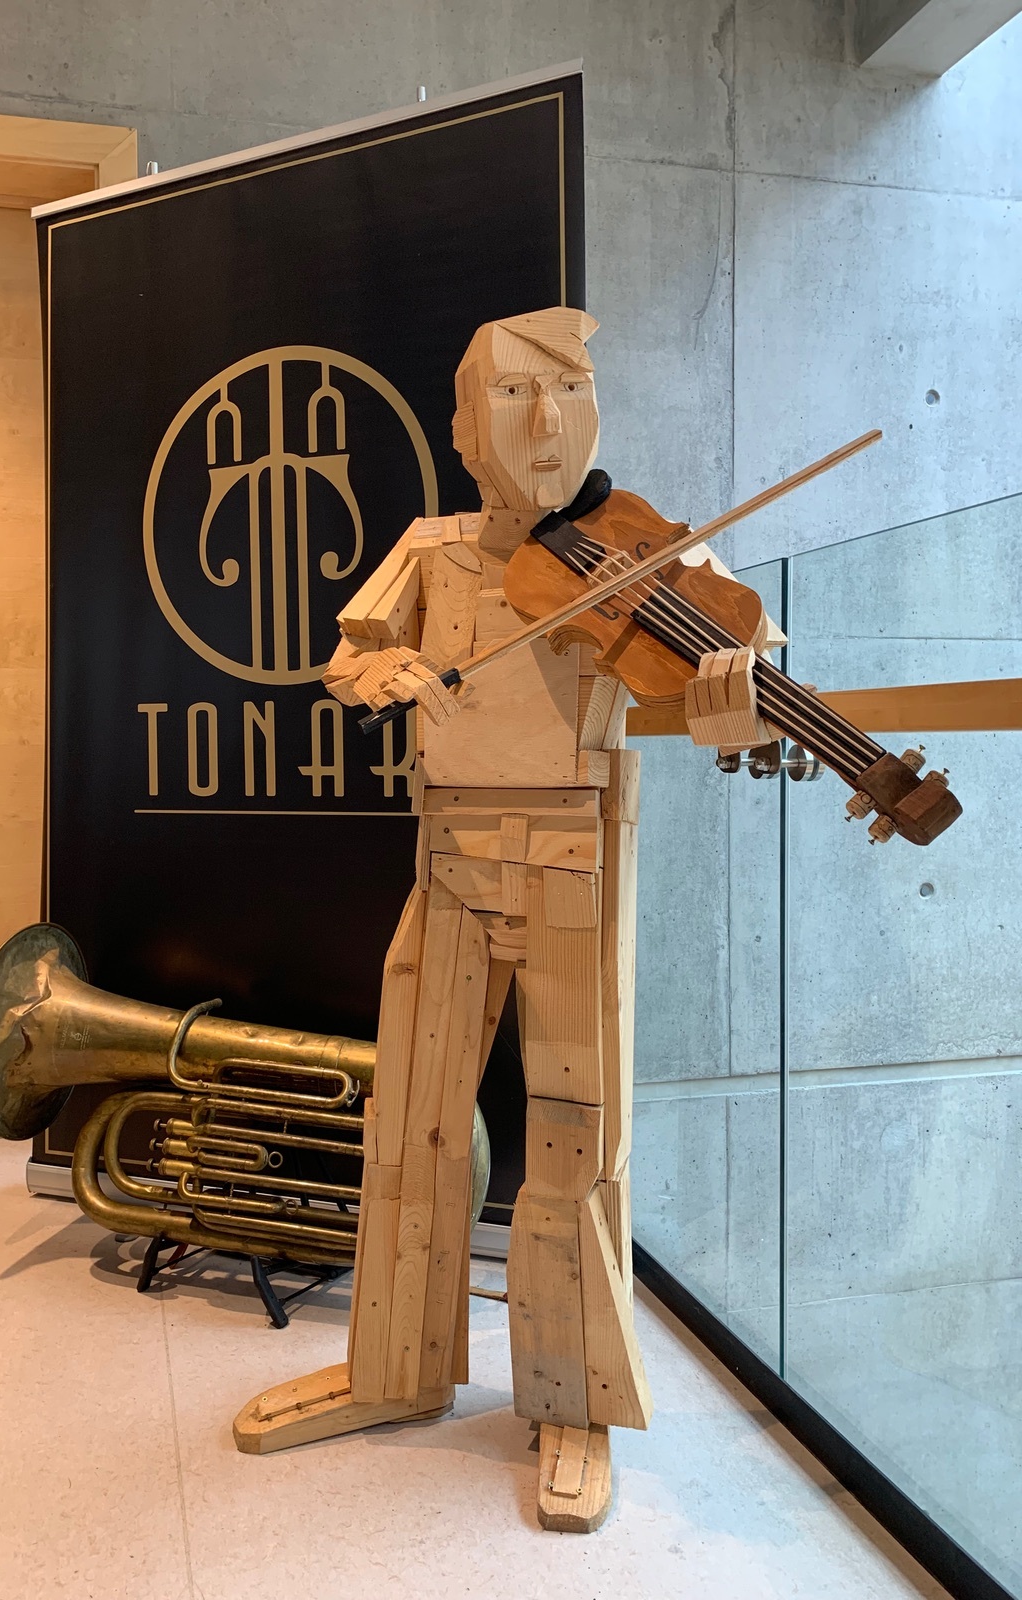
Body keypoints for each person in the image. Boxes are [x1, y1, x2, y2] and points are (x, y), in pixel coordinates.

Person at [234, 307, 777, 1531]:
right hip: (449, 862)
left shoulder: (640, 553)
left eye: (571, 391)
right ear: (463, 428)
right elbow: (349, 655)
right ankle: (393, 1369)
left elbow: (736, 670)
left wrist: (732, 697)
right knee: (410, 1120)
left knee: (578, 1140)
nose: (547, 422)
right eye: (517, 395)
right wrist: (377, 673)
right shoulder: (431, 549)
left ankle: (571, 1401)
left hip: (576, 865)